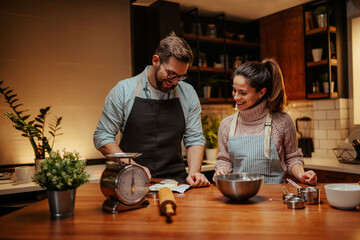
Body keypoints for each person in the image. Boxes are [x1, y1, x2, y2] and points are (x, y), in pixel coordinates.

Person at [93, 32, 210, 187]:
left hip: (176, 183)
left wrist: (194, 172)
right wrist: (133, 165)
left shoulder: (187, 93)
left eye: (180, 76)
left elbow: (194, 138)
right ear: (156, 61)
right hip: (132, 181)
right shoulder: (124, 90)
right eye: (170, 74)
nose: (175, 82)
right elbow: (102, 136)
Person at [213, 59, 317, 184]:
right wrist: (221, 170)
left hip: (275, 197)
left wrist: (302, 174)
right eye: (234, 90)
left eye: (243, 93)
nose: (236, 97)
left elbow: (292, 158)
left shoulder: (282, 122)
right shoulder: (227, 124)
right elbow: (224, 160)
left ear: (261, 92)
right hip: (240, 195)